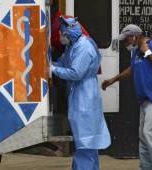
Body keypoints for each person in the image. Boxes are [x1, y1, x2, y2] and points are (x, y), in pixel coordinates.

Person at [102, 24, 152, 170]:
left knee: (150, 134)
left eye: (127, 40)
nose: (126, 43)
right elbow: (132, 69)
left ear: (135, 36)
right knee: (144, 137)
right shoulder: (136, 52)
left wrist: (147, 52)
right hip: (146, 100)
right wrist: (113, 80)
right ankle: (146, 167)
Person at [50, 16, 111, 170]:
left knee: (86, 142)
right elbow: (62, 63)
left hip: (85, 97)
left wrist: (53, 69)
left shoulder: (84, 47)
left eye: (60, 34)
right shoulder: (73, 46)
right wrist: (50, 65)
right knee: (85, 143)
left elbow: (76, 73)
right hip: (78, 95)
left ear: (68, 33)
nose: (59, 37)